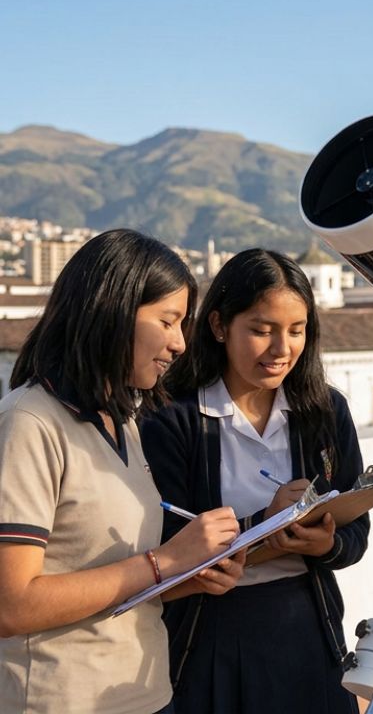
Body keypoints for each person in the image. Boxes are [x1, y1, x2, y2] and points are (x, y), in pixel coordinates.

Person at [0, 229, 244, 714]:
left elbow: (105, 577)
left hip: (143, 695)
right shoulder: (30, 423)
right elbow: (13, 604)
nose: (179, 343)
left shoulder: (123, 421)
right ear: (111, 310)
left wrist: (187, 576)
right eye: (168, 321)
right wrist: (165, 562)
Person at [140, 249, 369, 714]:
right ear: (219, 325)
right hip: (211, 635)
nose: (281, 349)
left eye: (296, 331)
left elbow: (356, 533)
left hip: (309, 629)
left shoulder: (325, 412)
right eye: (262, 330)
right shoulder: (173, 419)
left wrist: (326, 543)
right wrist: (264, 523)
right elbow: (161, 546)